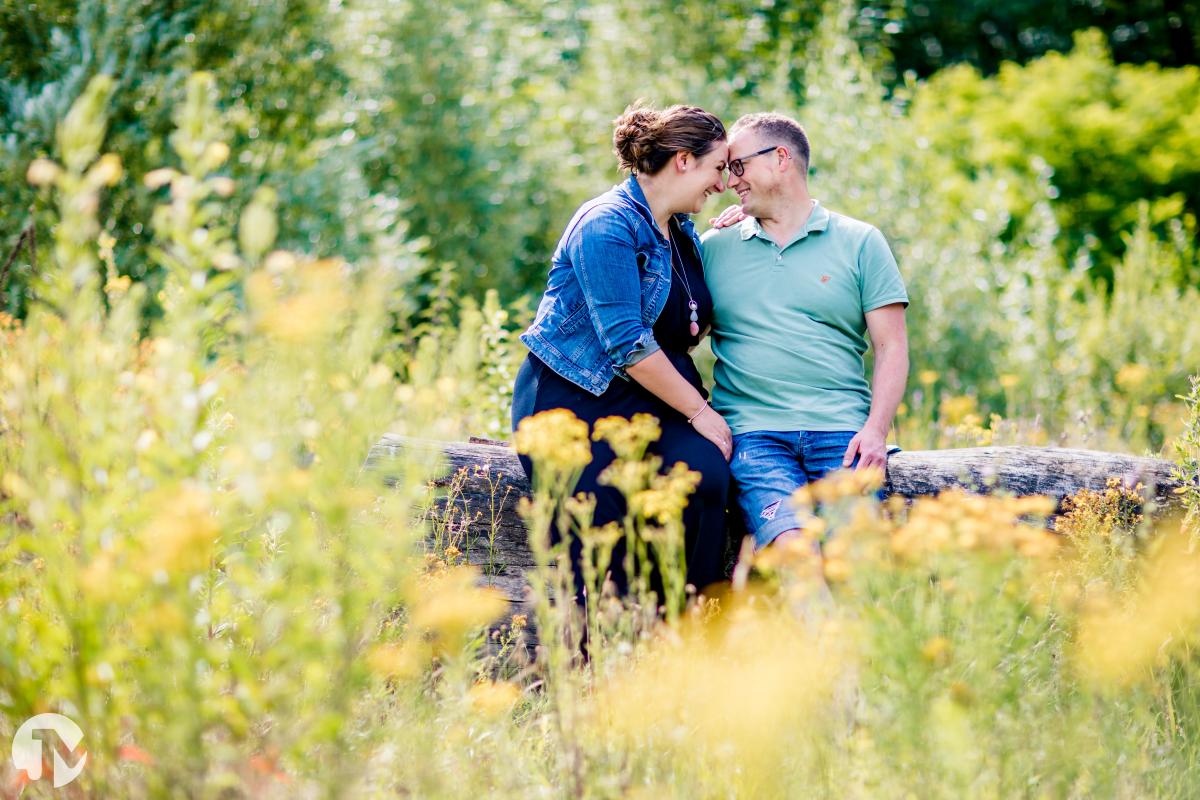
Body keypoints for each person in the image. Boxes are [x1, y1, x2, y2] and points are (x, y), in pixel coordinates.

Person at [513, 103, 733, 600]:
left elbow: (689, 319)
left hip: (655, 398)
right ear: (683, 160)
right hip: (576, 399)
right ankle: (596, 660)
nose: (721, 184)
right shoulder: (606, 225)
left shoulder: (679, 229)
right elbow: (627, 344)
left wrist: (737, 235)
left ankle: (682, 631)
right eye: (717, 168)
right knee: (599, 532)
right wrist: (702, 412)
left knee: (706, 480)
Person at [703, 112, 909, 551]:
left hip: (843, 433)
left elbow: (891, 346)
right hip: (754, 436)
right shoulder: (713, 249)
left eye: (738, 166)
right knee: (794, 550)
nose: (729, 182)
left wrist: (876, 431)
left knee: (852, 559)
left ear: (781, 159)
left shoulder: (861, 241)